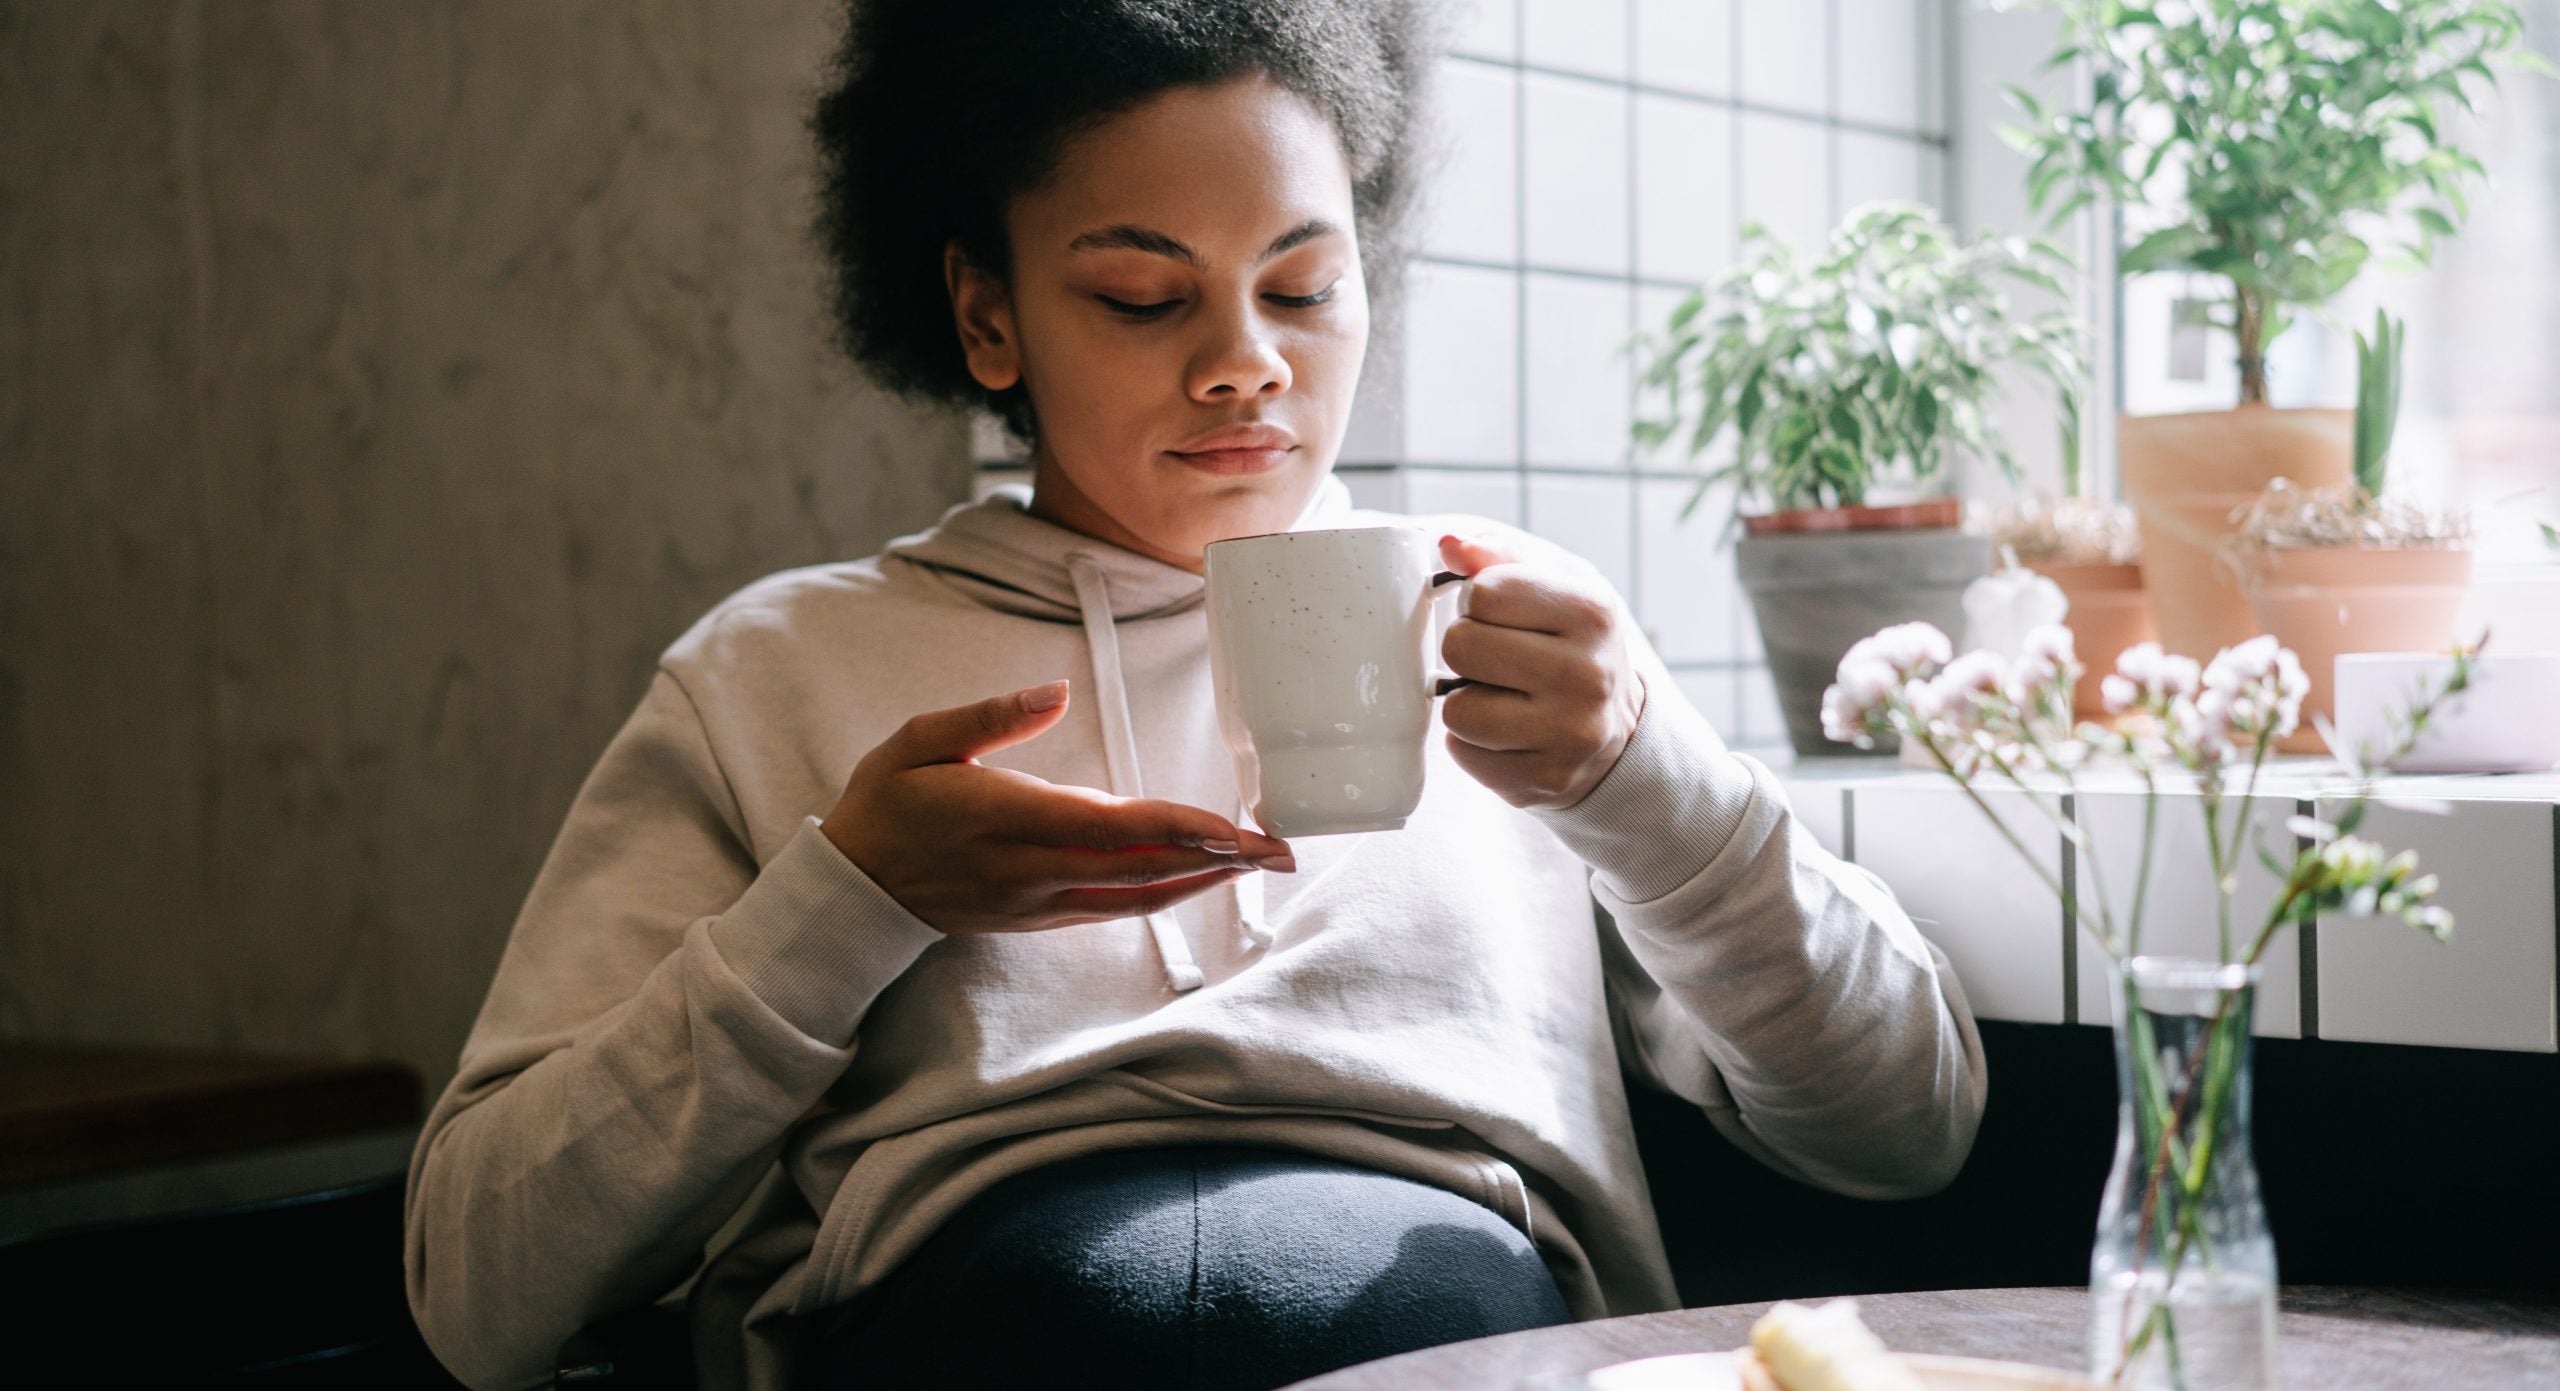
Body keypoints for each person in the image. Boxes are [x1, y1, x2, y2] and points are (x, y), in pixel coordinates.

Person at [402, 3, 1987, 1389]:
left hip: (1469, 1328)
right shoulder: (780, 671)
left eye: (1301, 289)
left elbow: (1906, 1132)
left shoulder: (1521, 639)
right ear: (986, 314)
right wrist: (851, 900)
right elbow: (482, 1300)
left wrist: (1650, 787)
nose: (1246, 364)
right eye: (1146, 299)